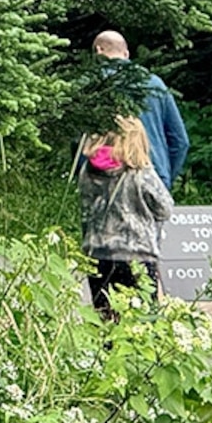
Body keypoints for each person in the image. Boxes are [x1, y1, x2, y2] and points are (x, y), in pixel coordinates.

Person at [72, 117, 173, 314]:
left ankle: (107, 344)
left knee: (106, 315)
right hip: (137, 254)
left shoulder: (88, 170)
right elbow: (165, 208)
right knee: (141, 317)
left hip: (98, 253)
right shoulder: (140, 172)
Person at [93, 31, 189, 193]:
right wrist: (165, 177)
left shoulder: (93, 84)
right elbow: (181, 141)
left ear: (98, 51)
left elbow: (81, 141)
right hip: (154, 174)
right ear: (126, 54)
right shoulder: (155, 84)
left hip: (106, 178)